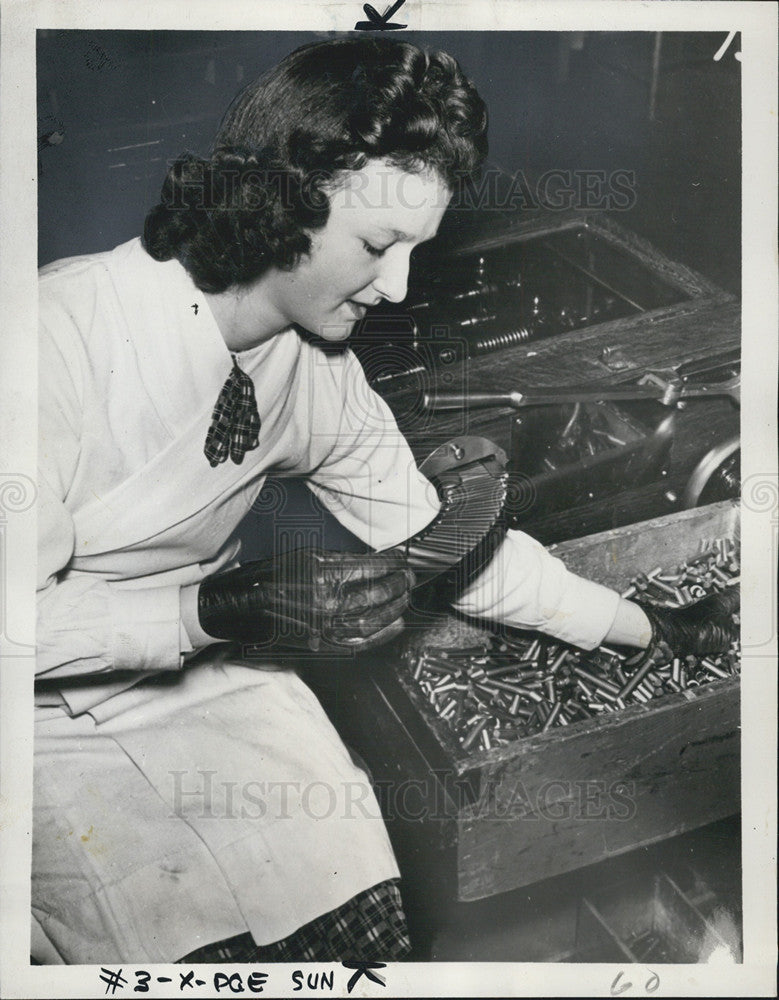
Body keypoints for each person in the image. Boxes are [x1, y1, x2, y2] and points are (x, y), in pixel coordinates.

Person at [34, 35, 737, 965]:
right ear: (276, 203)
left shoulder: (314, 369)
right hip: (35, 726)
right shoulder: (52, 339)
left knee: (358, 936)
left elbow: (448, 547)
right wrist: (210, 607)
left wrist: (644, 624)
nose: (399, 286)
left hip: (205, 690)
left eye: (418, 248)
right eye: (377, 244)